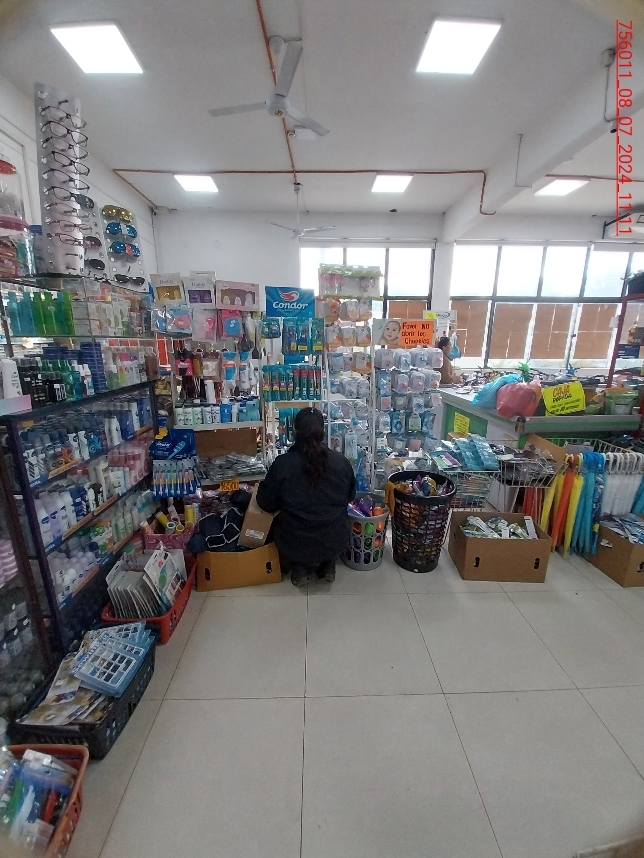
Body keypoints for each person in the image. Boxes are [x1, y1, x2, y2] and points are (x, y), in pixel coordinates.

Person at [257, 407, 356, 586]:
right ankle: (328, 564)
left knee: (282, 522)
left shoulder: (283, 464)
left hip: (294, 541)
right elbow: (350, 497)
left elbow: (266, 503)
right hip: (335, 539)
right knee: (334, 520)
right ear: (323, 431)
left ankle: (299, 568)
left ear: (295, 431)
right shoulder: (341, 462)